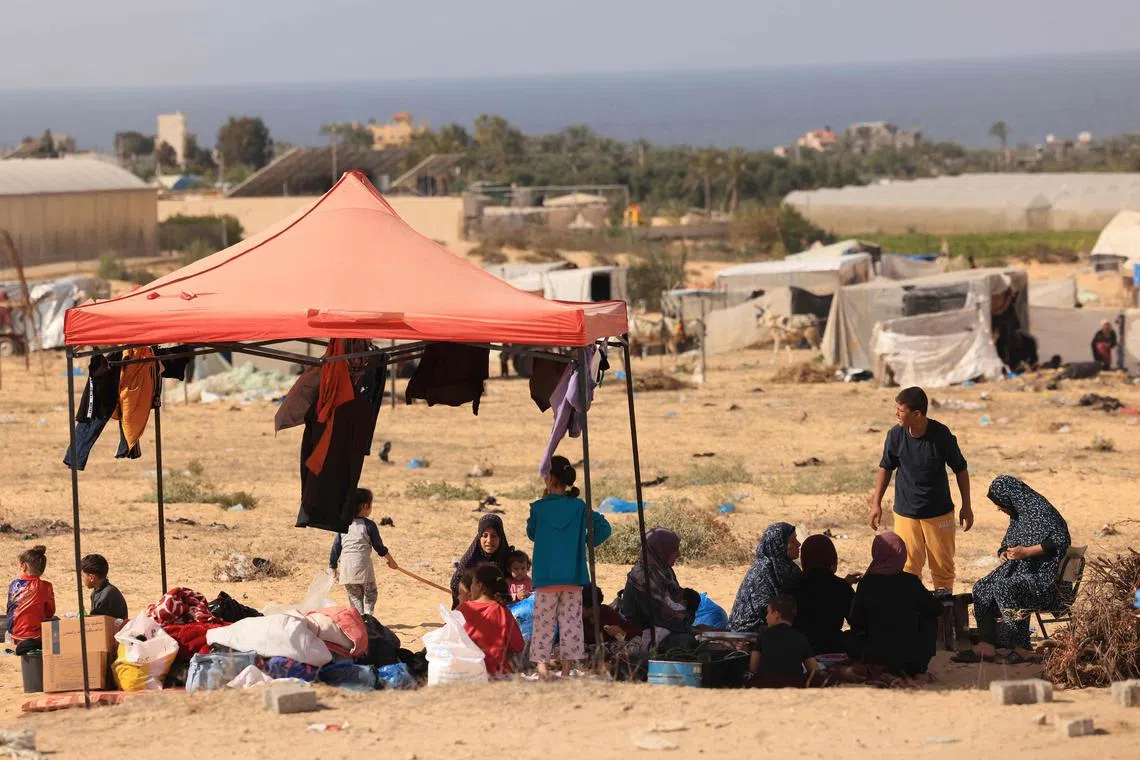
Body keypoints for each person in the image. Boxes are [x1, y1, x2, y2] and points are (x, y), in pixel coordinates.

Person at [956, 476, 1071, 665]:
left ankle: (1021, 648)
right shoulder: (1018, 516)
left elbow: (1061, 539)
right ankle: (988, 644)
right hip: (1020, 571)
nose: (999, 508)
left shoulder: (1043, 512)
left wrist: (1027, 552)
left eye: (1000, 504)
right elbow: (1007, 543)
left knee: (1005, 587)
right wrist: (1003, 553)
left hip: (1042, 578)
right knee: (982, 587)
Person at [871, 386, 972, 591]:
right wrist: (876, 504)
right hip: (906, 513)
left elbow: (961, 469)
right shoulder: (895, 435)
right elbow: (885, 468)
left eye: (901, 410)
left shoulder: (941, 435)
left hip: (938, 513)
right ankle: (913, 615)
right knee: (908, 569)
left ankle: (943, 617)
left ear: (917, 414)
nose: (896, 414)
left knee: (942, 569)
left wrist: (966, 506)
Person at [528, 455, 612, 679]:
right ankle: (566, 671)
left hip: (546, 578)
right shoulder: (578, 507)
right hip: (573, 577)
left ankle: (542, 668)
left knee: (544, 623)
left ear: (550, 478)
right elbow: (604, 528)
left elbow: (532, 534)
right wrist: (584, 542)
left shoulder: (538, 508)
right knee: (571, 625)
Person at [849, 532, 942, 682]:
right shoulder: (911, 582)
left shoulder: (867, 583)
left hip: (876, 656)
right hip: (910, 659)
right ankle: (919, 671)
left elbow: (856, 622)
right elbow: (937, 609)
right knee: (929, 618)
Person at [620, 528, 695, 650]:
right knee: (686, 642)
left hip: (667, 625)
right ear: (661, 551)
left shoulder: (665, 571)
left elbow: (678, 601)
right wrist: (685, 624)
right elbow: (655, 617)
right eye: (674, 549)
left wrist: (685, 617)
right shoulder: (642, 578)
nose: (678, 554)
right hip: (644, 632)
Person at [330, 488, 398, 617]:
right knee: (371, 593)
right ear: (365, 506)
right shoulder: (369, 525)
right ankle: (368, 618)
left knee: (354, 596)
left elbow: (335, 548)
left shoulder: (343, 525)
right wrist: (391, 561)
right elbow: (379, 547)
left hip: (346, 569)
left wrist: (332, 566)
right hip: (363, 568)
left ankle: (360, 620)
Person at [789, 534, 858, 656]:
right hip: (831, 647)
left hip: (797, 649)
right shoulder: (841, 586)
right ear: (831, 557)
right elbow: (857, 622)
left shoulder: (792, 584)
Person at [728, 522, 801, 633]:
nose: (799, 544)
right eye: (792, 541)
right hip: (748, 631)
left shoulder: (790, 568)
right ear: (779, 544)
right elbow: (763, 609)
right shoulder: (762, 570)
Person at [456, 564, 525, 677]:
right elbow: (518, 645)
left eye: (472, 583)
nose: (471, 587)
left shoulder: (462, 609)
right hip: (497, 673)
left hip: (466, 671)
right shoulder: (503, 611)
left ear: (479, 586)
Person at [748, 595, 820, 688]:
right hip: (793, 688)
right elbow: (814, 670)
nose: (766, 617)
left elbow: (753, 668)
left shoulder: (764, 635)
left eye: (768, 612)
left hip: (766, 688)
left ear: (776, 615)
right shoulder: (800, 638)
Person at [450, 514, 513, 608]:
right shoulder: (470, 559)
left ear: (501, 537)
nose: (489, 540)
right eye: (485, 536)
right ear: (479, 537)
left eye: (494, 536)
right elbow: (455, 582)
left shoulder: (509, 560)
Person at [6, 546, 54, 645]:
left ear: (24, 566)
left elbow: (10, 610)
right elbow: (50, 612)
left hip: (15, 635)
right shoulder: (46, 586)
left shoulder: (14, 585)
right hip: (37, 636)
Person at [80, 554, 128, 620]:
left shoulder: (107, 595)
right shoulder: (98, 591)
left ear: (91, 578)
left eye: (82, 576)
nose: (82, 579)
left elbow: (97, 622)